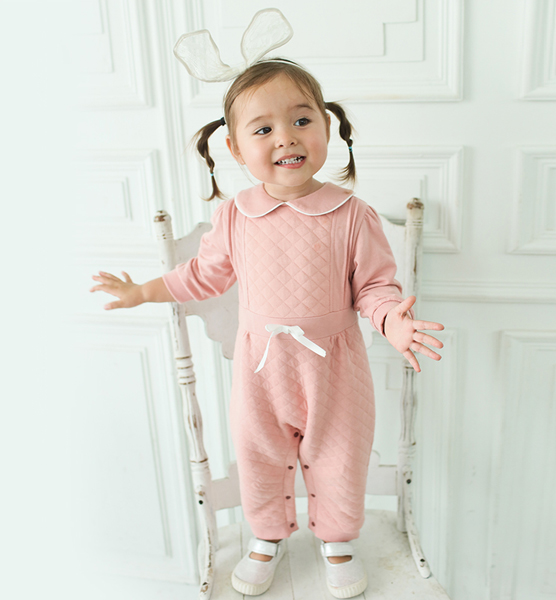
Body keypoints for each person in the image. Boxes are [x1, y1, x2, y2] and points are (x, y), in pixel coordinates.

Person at [89, 58, 445, 599]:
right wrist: (143, 290)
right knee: (258, 454)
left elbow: (375, 286)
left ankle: (337, 541)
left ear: (326, 126)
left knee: (340, 454)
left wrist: (392, 320)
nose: (286, 138)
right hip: (260, 368)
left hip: (336, 367)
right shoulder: (236, 215)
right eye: (263, 129)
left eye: (302, 120)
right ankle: (266, 536)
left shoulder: (353, 214)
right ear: (235, 149)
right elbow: (203, 274)